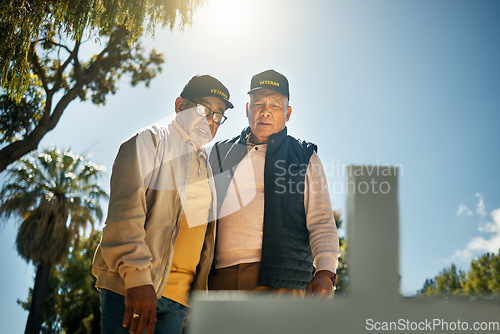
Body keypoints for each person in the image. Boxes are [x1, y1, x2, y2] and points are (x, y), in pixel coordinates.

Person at [92, 74, 233, 334]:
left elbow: (202, 241)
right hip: (133, 288)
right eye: (203, 109)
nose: (210, 121)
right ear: (179, 105)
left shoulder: (208, 167)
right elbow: (126, 213)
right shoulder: (150, 141)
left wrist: (195, 297)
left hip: (177, 303)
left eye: (217, 115)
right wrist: (137, 280)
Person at [208, 69, 339, 297]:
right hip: (218, 280)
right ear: (247, 110)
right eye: (258, 104)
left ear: (288, 113)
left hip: (281, 282)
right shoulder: (220, 153)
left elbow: (321, 220)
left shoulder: (304, 156)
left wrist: (325, 272)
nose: (265, 112)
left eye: (275, 105)